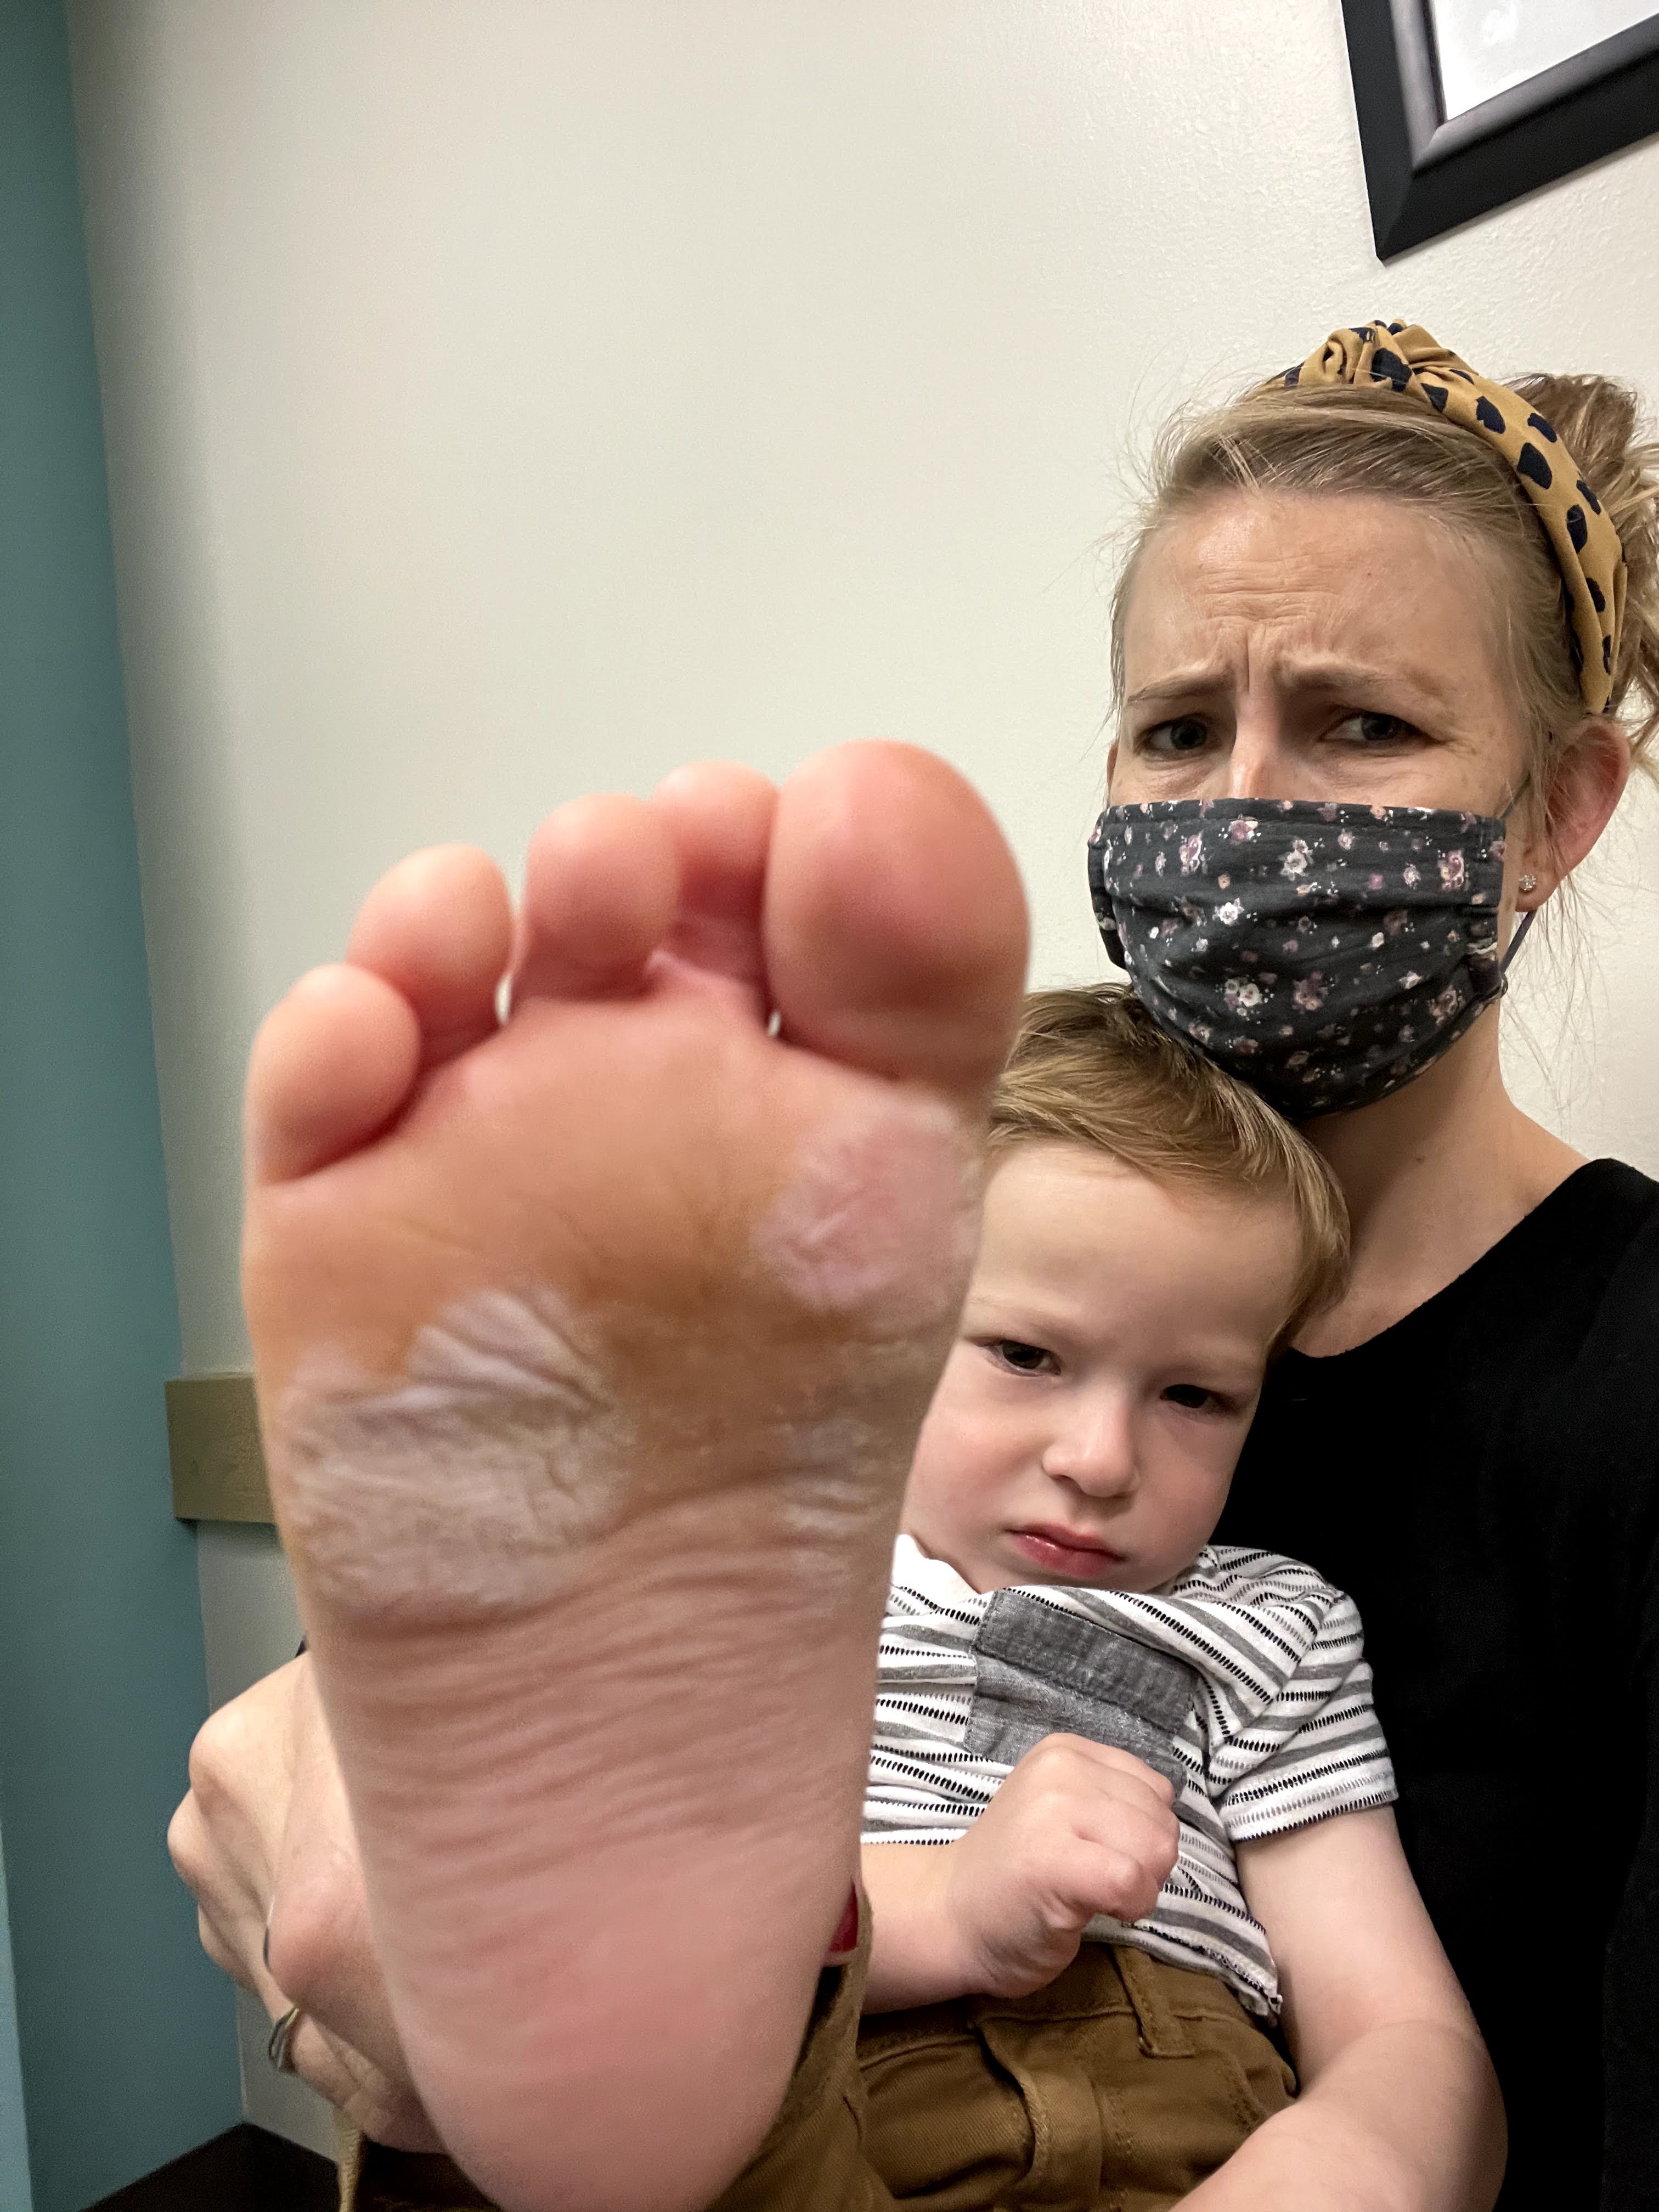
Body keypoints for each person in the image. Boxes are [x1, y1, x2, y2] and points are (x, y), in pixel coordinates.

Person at [169, 318, 1659, 2209]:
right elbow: (496, 1707)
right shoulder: (926, 1254)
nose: (1241, 807)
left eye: (1361, 724)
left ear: (1559, 811)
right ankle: (676, 2021)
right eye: (1177, 729)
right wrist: (337, 1789)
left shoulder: (1599, 1384)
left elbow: (1414, 2061)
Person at [839, 984, 1498, 2209]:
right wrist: (943, 1911)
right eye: (1026, 1355)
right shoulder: (768, 1566)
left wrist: (1351, 2154)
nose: (1101, 1461)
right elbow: (642, 1924)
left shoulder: (1274, 1630)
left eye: (1195, 1396)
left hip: (1188, 2125)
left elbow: (1403, 2028)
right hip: (828, 2092)